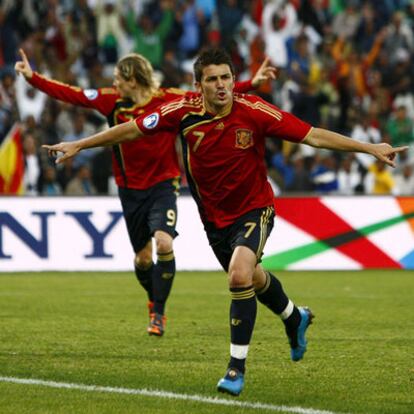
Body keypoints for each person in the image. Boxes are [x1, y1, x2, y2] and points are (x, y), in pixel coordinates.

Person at [42, 49, 407, 396]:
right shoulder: (181, 111)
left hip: (255, 208)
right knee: (253, 277)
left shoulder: (255, 110)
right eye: (212, 79)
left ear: (234, 80)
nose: (221, 85)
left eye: (226, 78)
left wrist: (369, 148)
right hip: (214, 219)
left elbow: (312, 135)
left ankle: (236, 368)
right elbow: (133, 129)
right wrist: (80, 144)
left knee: (238, 275)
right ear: (198, 84)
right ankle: (295, 317)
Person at [15, 48, 276, 337]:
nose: (114, 84)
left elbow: (214, 90)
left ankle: (159, 314)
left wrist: (252, 83)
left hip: (164, 184)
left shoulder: (167, 98)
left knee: (164, 243)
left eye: (118, 79)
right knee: (142, 259)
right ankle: (153, 299)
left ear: (133, 79)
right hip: (130, 190)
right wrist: (32, 78)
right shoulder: (111, 101)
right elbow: (72, 93)